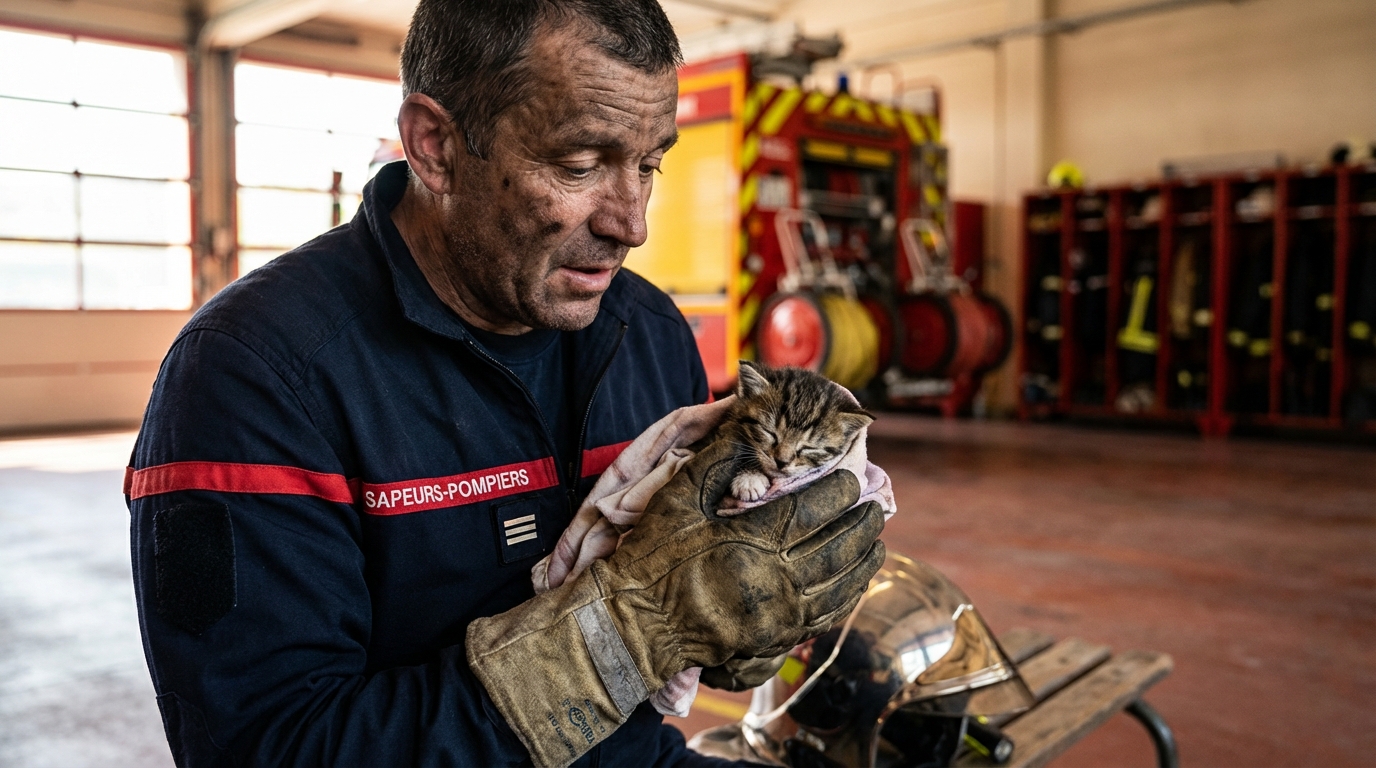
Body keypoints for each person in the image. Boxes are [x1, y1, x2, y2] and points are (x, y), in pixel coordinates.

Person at [124, 1, 885, 765]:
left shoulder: (649, 334)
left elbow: (697, 629)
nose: (632, 222)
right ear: (436, 146)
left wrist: (745, 614)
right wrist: (627, 632)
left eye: (649, 164)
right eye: (581, 164)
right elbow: (269, 748)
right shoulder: (252, 373)